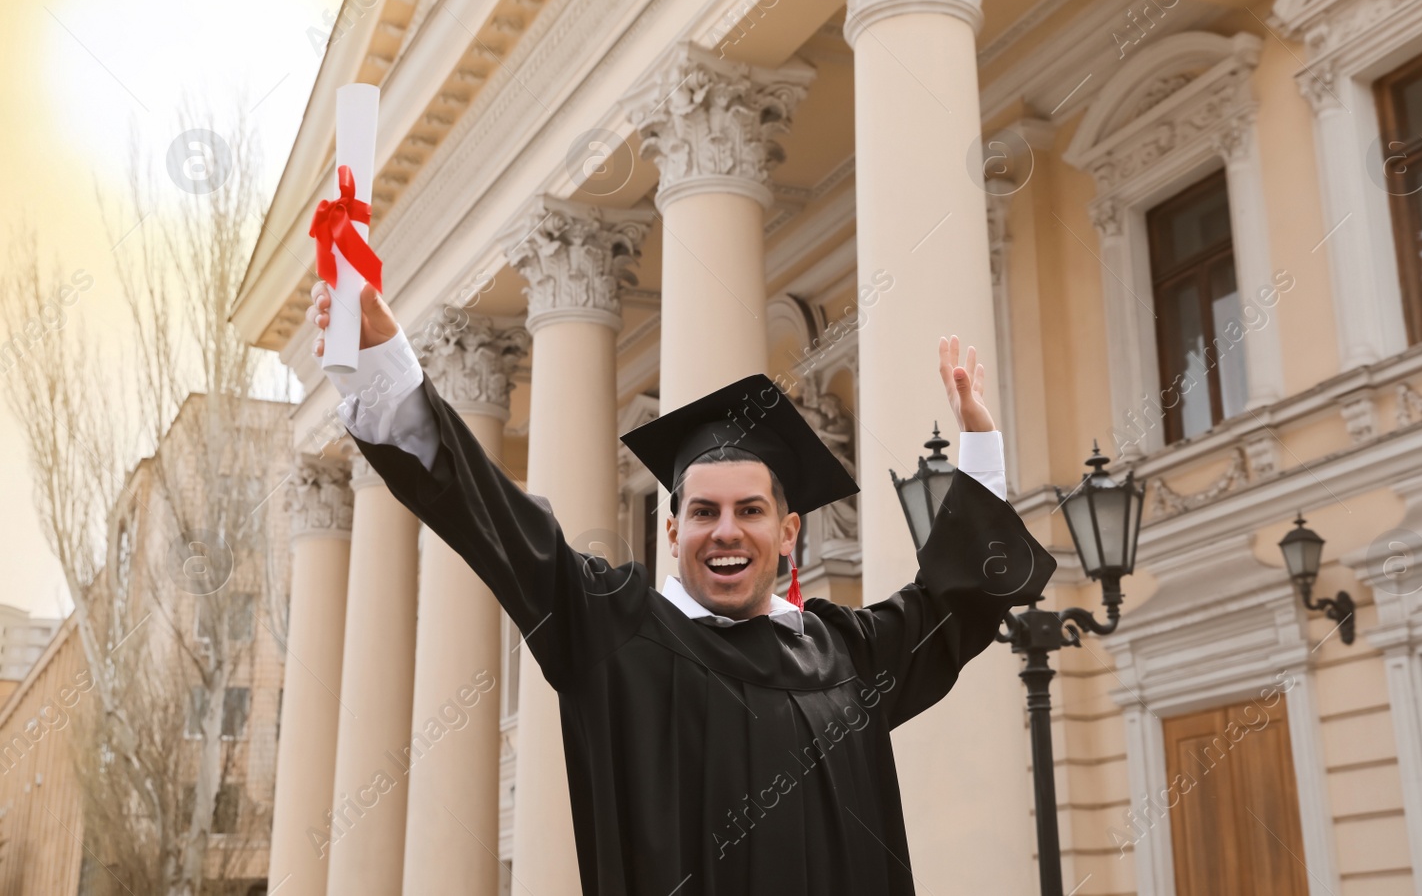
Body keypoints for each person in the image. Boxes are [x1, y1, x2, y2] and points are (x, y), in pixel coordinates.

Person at [307, 282, 1055, 896]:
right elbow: (497, 525)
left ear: (788, 532)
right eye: (703, 511)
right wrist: (387, 372)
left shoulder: (846, 655)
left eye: (750, 510)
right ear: (673, 534)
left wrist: (982, 447)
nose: (725, 530)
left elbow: (951, 604)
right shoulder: (619, 635)